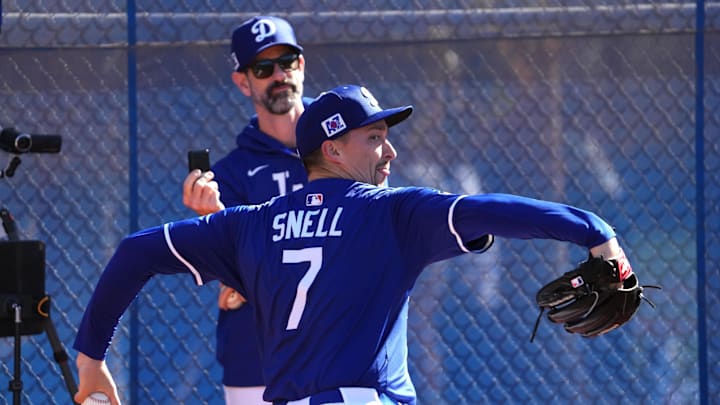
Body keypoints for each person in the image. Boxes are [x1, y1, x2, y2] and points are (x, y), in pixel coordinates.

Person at [73, 84, 636, 405]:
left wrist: (90, 357)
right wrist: (594, 231)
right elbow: (492, 209)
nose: (389, 153)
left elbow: (134, 252)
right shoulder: (389, 212)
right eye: (375, 139)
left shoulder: (249, 223)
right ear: (334, 150)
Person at [182, 15, 310, 405]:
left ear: (301, 66)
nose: (278, 76)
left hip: (338, 349)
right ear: (243, 82)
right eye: (262, 68)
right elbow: (230, 275)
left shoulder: (342, 143)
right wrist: (215, 225)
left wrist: (248, 275)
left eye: (286, 62)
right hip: (256, 360)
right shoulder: (229, 176)